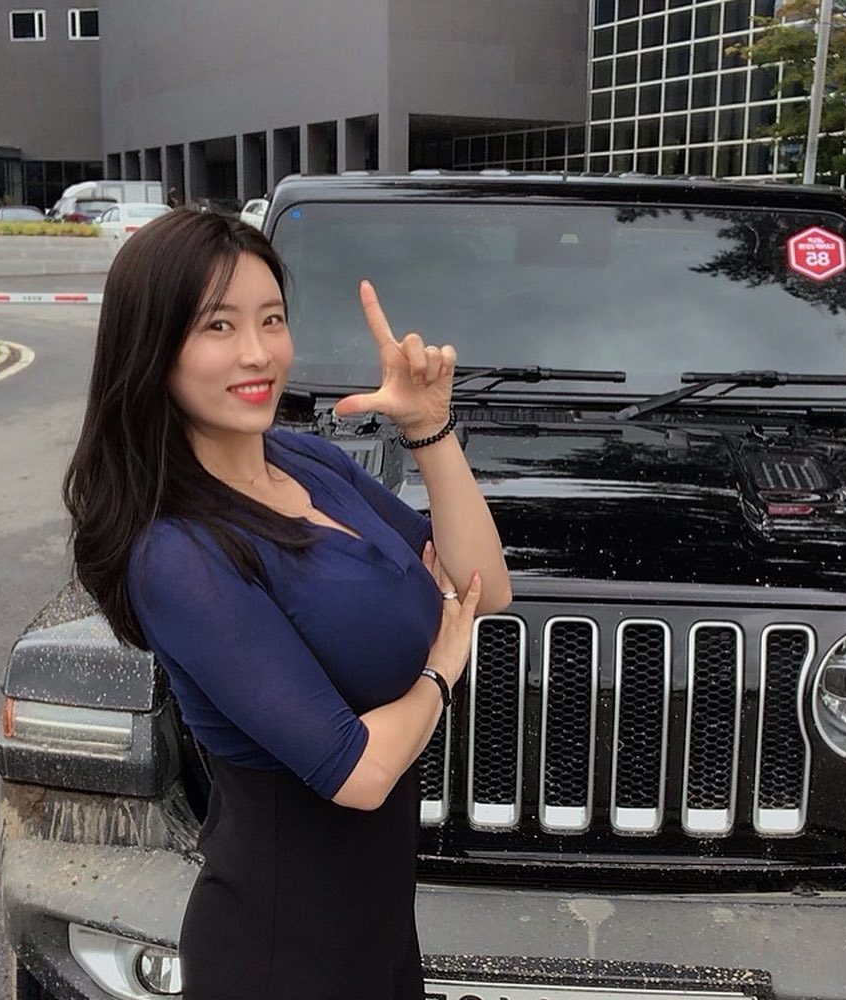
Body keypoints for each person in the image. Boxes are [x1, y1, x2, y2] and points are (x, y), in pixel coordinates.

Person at [62, 208, 512, 999]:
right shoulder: (178, 554)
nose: (257, 351)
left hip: (378, 934)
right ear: (153, 347)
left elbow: (483, 585)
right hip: (278, 957)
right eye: (219, 325)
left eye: (272, 319)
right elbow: (359, 770)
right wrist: (441, 670)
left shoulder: (306, 460)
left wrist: (430, 428)